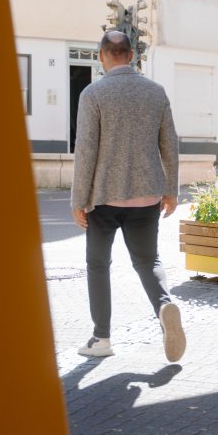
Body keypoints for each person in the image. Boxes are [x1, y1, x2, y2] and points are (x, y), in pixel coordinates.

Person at [71, 30, 186, 362]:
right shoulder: (155, 92)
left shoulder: (93, 94)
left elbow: (86, 150)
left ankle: (101, 338)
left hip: (104, 197)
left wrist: (78, 200)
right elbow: (170, 144)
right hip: (147, 196)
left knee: (97, 265)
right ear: (132, 55)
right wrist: (171, 190)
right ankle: (165, 307)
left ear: (102, 56)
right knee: (149, 261)